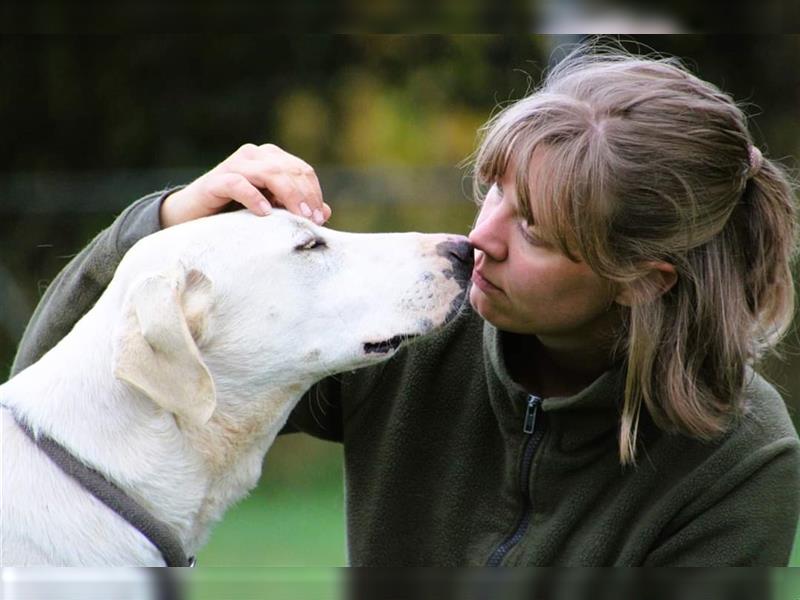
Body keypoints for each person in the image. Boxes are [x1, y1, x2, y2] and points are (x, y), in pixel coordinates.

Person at [11, 43, 800, 566]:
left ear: (644, 278)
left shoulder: (743, 462)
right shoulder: (405, 333)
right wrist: (166, 228)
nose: (476, 237)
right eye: (493, 190)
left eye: (534, 230)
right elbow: (66, 407)